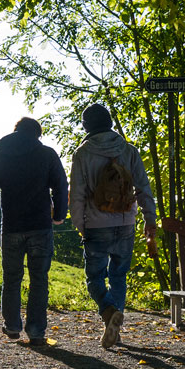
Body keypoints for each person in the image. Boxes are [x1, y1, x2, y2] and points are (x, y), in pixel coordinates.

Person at [69, 103, 156, 349]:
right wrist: (150, 220)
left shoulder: (82, 154)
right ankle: (114, 330)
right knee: (118, 276)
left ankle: (109, 314)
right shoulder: (129, 150)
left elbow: (76, 195)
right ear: (109, 122)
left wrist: (81, 225)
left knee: (94, 278)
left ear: (86, 126)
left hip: (96, 225)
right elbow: (143, 188)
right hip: (126, 222)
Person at [0, 117, 68, 346]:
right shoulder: (47, 154)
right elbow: (60, 184)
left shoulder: (0, 157)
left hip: (11, 227)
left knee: (12, 277)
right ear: (37, 134)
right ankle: (36, 331)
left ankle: (12, 325)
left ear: (15, 131)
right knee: (39, 279)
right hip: (40, 226)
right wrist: (59, 215)